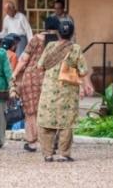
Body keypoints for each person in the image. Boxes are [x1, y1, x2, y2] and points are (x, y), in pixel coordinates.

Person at [37, 20, 94, 162]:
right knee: (66, 122)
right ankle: (64, 154)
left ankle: (48, 154)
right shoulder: (75, 48)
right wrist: (87, 85)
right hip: (68, 90)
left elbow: (40, 66)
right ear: (72, 33)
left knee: (47, 121)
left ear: (58, 32)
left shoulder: (50, 46)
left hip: (49, 89)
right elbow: (83, 71)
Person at [10, 16, 60, 152]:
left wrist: (14, 74)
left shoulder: (36, 39)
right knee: (51, 110)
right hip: (51, 78)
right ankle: (52, 142)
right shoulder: (59, 42)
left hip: (31, 78)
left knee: (31, 111)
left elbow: (24, 59)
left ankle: (32, 142)